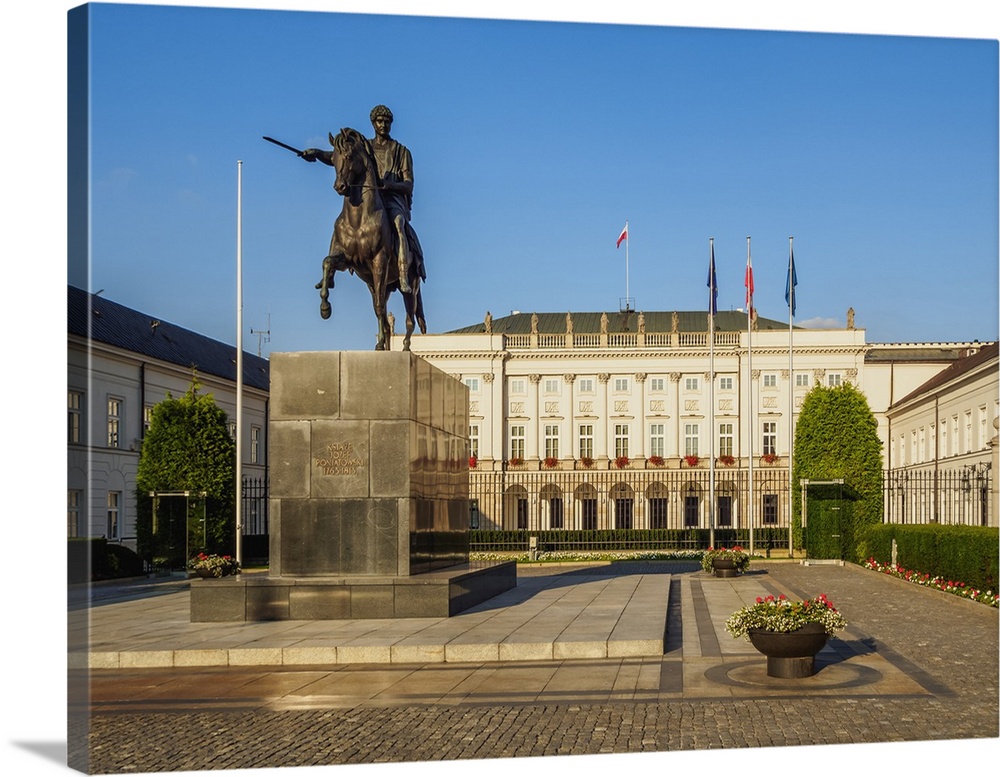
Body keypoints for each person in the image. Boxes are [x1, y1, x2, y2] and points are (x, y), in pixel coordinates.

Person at [301, 104, 422, 292]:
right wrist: (316, 153)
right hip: (368, 199)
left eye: (387, 122)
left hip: (391, 200)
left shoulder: (401, 151)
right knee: (340, 223)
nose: (383, 125)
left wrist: (388, 184)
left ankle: (403, 271)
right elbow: (339, 156)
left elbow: (408, 184)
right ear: (373, 123)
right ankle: (331, 268)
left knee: (398, 223)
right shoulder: (365, 147)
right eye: (380, 121)